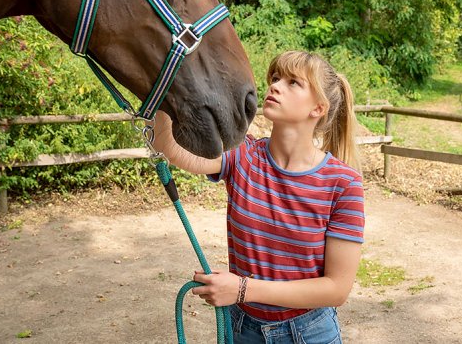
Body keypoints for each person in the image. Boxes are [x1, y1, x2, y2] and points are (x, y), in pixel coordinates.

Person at [151, 50, 365, 343]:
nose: (275, 86)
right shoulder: (243, 156)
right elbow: (170, 148)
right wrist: (165, 78)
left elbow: (336, 289)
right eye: (275, 78)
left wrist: (242, 289)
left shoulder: (343, 183)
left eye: (293, 83)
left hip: (310, 332)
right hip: (243, 329)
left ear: (318, 108)